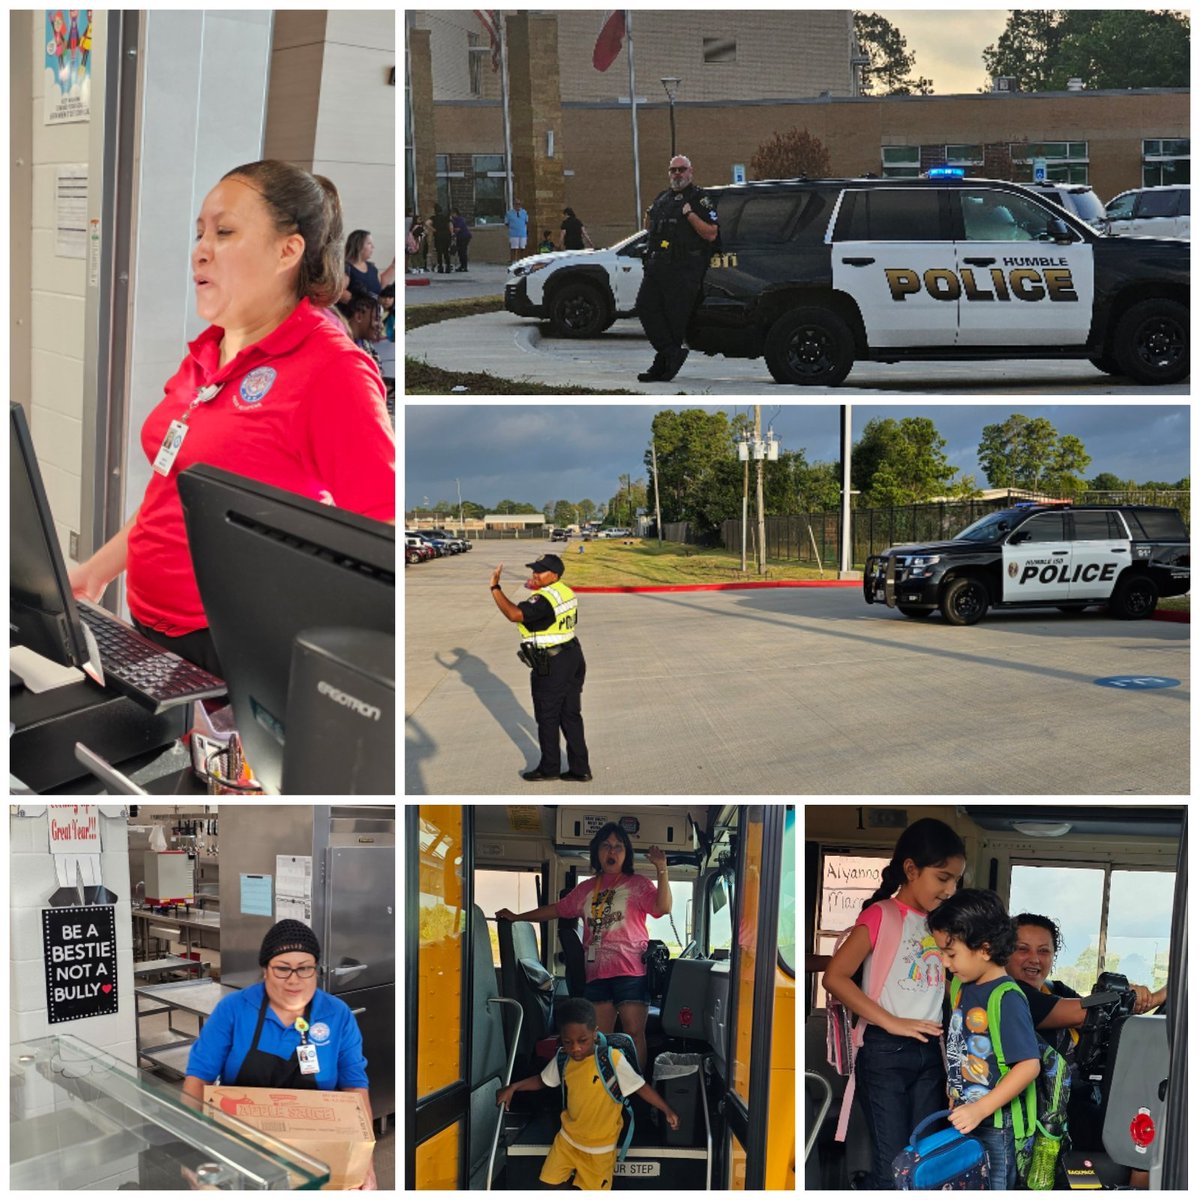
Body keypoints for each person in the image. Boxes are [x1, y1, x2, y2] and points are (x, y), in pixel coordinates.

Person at [66, 160, 395, 677]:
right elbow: (169, 491)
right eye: (199, 232)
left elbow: (383, 526)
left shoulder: (331, 368)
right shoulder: (208, 352)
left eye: (224, 232)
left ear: (289, 250)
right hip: (149, 627)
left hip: (235, 649)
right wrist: (93, 574)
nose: (200, 249)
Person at [822, 817, 967, 1190]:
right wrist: (891, 1021)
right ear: (910, 869)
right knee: (893, 1165)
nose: (951, 889)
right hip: (885, 1053)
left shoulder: (944, 924)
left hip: (930, 1053)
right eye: (942, 877)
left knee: (923, 1161)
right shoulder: (881, 914)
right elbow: (834, 977)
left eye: (955, 880)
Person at [181, 920, 377, 1190]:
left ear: (316, 971)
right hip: (240, 1154)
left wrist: (364, 1163)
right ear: (265, 971)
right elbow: (198, 1079)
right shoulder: (234, 1010)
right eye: (283, 968)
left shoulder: (336, 1014)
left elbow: (355, 1086)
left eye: (305, 968)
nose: (294, 979)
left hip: (316, 1159)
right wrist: (190, 1150)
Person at [501, 823, 670, 1070]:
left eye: (618, 846)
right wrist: (517, 917)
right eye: (606, 846)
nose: (612, 851)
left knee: (634, 1036)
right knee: (600, 1040)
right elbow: (556, 910)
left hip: (631, 973)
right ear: (597, 852)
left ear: (626, 853)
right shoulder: (586, 889)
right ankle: (602, 1092)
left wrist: (662, 869)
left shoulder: (638, 884)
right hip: (597, 975)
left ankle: (636, 1094)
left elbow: (662, 908)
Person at [495, 997, 679, 1191]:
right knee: (548, 1184)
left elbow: (640, 1087)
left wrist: (666, 1109)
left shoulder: (611, 1060)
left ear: (594, 1033)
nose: (575, 1048)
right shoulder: (563, 1059)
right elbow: (542, 1080)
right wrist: (514, 1087)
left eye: (582, 1040)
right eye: (568, 1042)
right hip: (567, 1141)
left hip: (599, 1151)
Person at [929, 889, 1041, 1191]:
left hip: (996, 1128)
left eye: (951, 954)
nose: (944, 961)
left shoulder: (1005, 998)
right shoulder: (962, 988)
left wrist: (980, 1109)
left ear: (985, 949)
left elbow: (1029, 1066)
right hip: (965, 1118)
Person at [489, 553, 590, 783]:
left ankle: (550, 768)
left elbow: (515, 614)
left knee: (547, 716)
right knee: (571, 715)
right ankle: (580, 768)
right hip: (573, 655)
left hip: (553, 663)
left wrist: (495, 588)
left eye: (541, 571)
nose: (535, 574)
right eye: (534, 570)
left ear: (554, 574)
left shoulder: (544, 599)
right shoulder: (565, 591)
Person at [636, 154, 719, 383]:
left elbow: (711, 233)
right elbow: (650, 229)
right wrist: (648, 216)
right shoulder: (663, 198)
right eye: (673, 170)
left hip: (684, 269)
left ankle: (662, 365)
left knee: (673, 320)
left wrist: (690, 215)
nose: (677, 174)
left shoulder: (699, 199)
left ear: (690, 172)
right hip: (657, 267)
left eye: (682, 169)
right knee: (645, 307)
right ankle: (670, 353)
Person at [344, 228, 394, 296]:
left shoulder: (371, 267)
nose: (373, 247)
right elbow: (340, 292)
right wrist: (362, 303)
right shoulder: (346, 268)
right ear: (358, 246)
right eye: (369, 243)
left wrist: (394, 265)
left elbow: (380, 285)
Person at [430, 205, 452, 274]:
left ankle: (440, 267)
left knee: (439, 252)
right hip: (446, 235)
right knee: (446, 251)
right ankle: (448, 267)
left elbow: (427, 223)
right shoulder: (446, 217)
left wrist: (433, 229)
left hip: (438, 235)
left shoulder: (433, 218)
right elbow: (450, 226)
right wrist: (452, 234)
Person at [505, 198, 529, 262]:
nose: (518, 205)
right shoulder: (509, 213)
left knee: (522, 248)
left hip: (522, 233)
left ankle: (522, 260)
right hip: (513, 233)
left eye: (519, 204)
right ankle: (513, 260)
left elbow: (526, 221)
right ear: (514, 204)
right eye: (516, 204)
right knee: (514, 248)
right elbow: (507, 223)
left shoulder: (524, 212)